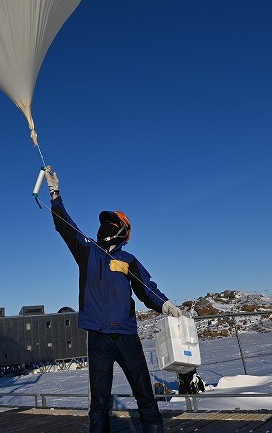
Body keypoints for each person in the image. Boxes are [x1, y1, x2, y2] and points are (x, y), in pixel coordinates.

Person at [46, 167, 181, 433]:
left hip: (127, 336)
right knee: (99, 402)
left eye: (114, 222)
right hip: (98, 337)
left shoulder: (128, 260)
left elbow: (146, 288)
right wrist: (55, 195)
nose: (107, 225)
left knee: (144, 393)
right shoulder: (87, 251)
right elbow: (65, 226)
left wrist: (164, 304)